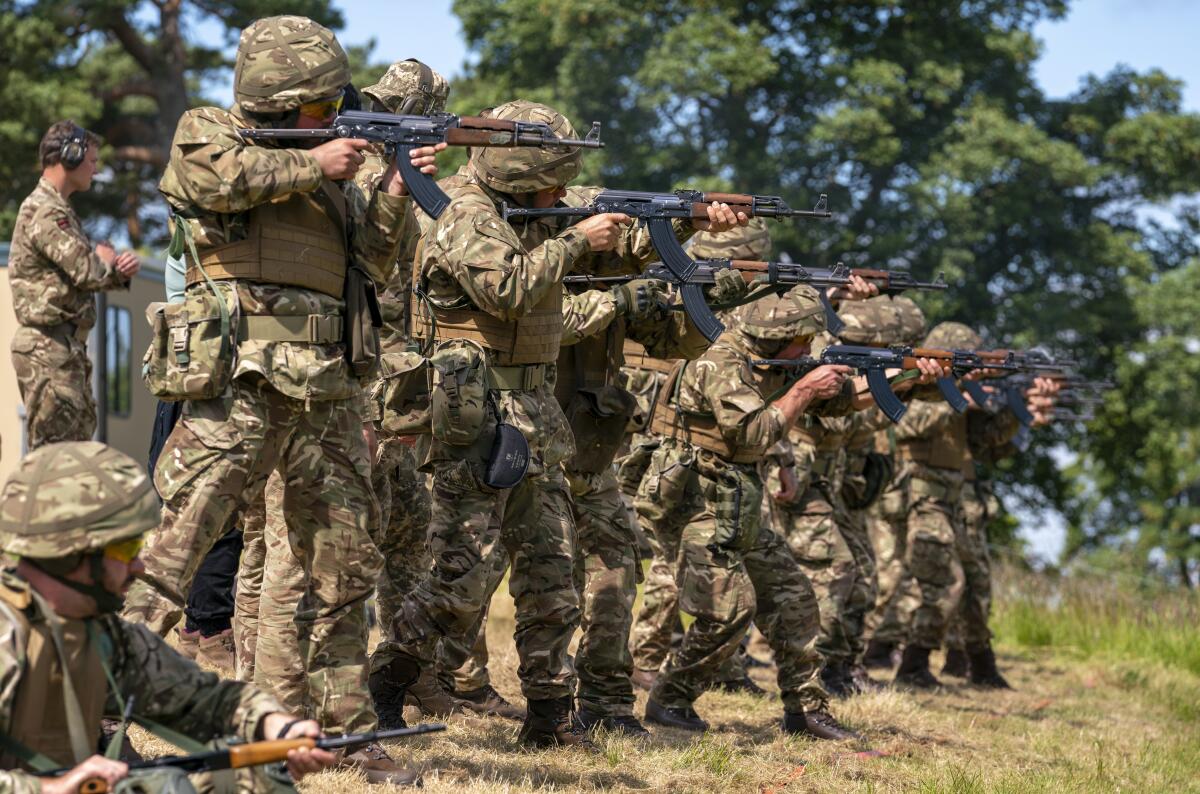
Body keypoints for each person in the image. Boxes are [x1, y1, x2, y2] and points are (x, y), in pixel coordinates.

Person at [120, 15, 434, 784]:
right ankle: (97, 711)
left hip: (326, 392)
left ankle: (350, 733)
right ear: (285, 100)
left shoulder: (331, 177)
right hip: (239, 384)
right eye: (325, 106)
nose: (335, 118)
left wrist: (391, 188)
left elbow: (374, 262)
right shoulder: (209, 131)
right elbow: (205, 181)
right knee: (168, 554)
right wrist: (318, 163)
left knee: (345, 567)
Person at [379, 98, 742, 750]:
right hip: (476, 415)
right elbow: (507, 289)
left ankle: (550, 718)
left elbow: (621, 254)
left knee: (552, 576)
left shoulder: (534, 215)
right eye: (552, 181)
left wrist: (686, 222)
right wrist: (580, 236)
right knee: (460, 581)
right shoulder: (463, 213)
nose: (561, 193)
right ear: (519, 176)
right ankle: (386, 686)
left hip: (535, 416)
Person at [635, 287, 902, 738]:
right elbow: (753, 434)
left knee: (794, 600)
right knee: (729, 612)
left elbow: (834, 406)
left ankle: (806, 710)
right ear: (776, 337)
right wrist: (803, 387)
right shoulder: (720, 363)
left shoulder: (770, 362)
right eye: (803, 343)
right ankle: (671, 698)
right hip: (697, 504)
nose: (809, 352)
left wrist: (900, 378)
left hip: (737, 503)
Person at [0, 441, 334, 794]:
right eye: (126, 550)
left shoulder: (96, 633)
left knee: (249, 774)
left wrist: (276, 727)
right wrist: (47, 788)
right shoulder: (9, 637)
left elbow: (203, 700)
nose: (139, 565)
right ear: (71, 554)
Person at [890, 322, 1052, 688]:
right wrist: (959, 394)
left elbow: (985, 442)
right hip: (920, 492)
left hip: (954, 496)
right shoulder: (912, 386)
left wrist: (1016, 404)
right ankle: (913, 665)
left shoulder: (955, 391)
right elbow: (904, 425)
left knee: (976, 581)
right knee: (944, 580)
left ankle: (981, 664)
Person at [9, 121, 141, 450]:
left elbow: (88, 270)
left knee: (75, 457)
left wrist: (112, 268)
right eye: (93, 161)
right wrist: (108, 263)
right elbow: (86, 270)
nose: (96, 170)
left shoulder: (59, 209)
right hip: (48, 349)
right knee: (55, 460)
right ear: (70, 156)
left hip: (64, 349)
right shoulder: (45, 210)